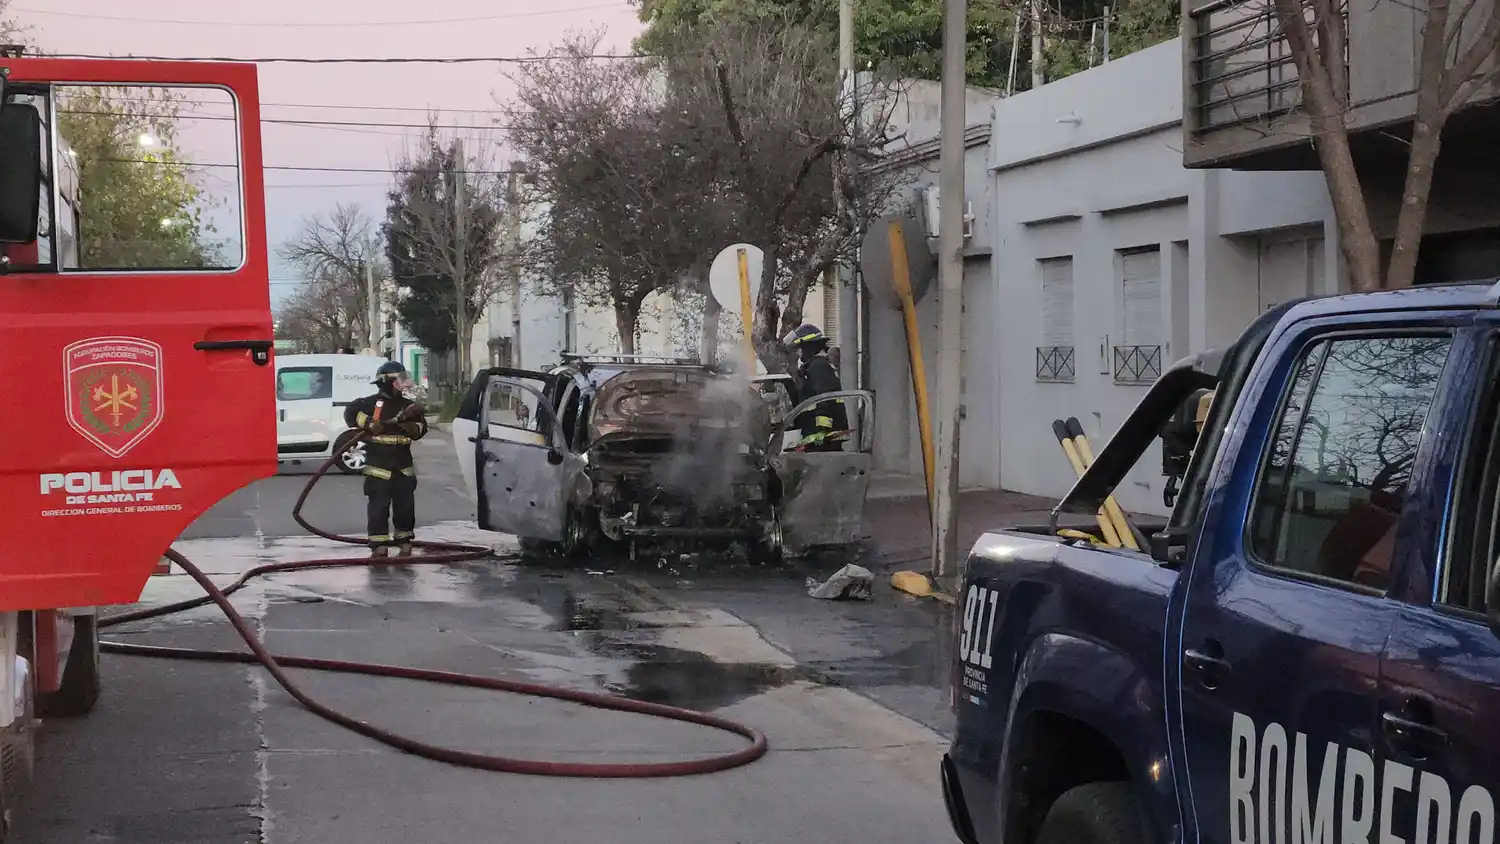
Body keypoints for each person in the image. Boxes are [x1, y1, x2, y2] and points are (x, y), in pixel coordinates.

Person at [343, 361, 429, 557]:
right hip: (378, 467)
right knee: (378, 508)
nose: (404, 383)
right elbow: (350, 412)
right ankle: (378, 544)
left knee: (405, 507)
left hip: (403, 467)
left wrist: (408, 425)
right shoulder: (370, 404)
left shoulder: (409, 407)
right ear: (388, 382)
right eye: (400, 379)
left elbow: (420, 429)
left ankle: (404, 540)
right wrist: (369, 423)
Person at [782, 323, 850, 452]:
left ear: (808, 347)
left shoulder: (818, 367)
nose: (798, 353)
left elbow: (824, 400)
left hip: (822, 437)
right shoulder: (815, 367)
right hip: (820, 436)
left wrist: (821, 433)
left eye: (799, 348)